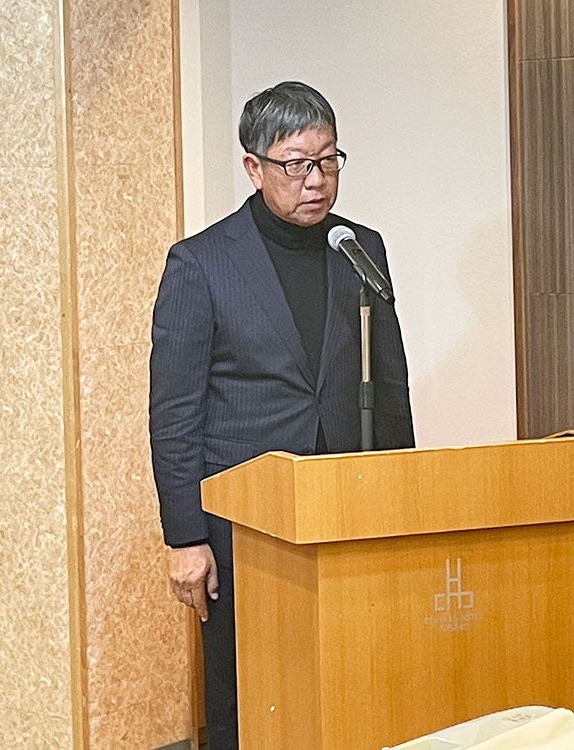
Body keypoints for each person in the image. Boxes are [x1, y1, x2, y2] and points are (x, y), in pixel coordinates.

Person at [149, 81, 414, 749]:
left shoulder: (360, 249)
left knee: (352, 677)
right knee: (246, 690)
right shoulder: (201, 263)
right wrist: (185, 538)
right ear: (254, 166)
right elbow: (174, 414)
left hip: (346, 504)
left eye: (327, 160)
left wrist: (405, 499)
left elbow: (389, 384)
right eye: (296, 164)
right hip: (245, 521)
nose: (316, 180)